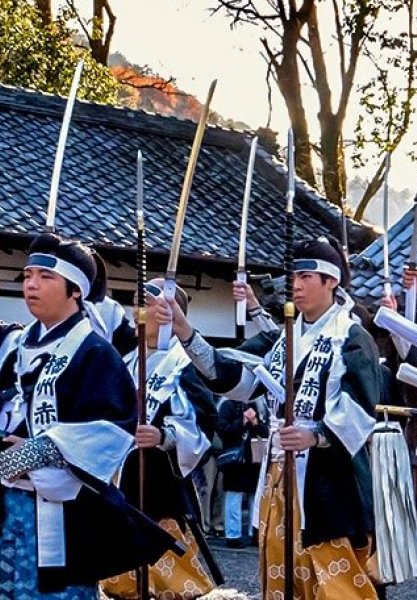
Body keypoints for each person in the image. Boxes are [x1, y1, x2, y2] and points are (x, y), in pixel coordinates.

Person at [161, 237, 381, 599]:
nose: (295, 284)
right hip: (281, 473)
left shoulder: (351, 337)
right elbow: (237, 376)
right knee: (282, 569)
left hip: (329, 479)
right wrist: (186, 331)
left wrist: (318, 434)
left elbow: (361, 405)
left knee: (333, 574)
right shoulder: (283, 340)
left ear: (332, 281)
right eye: (293, 276)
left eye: (307, 276)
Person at [0, 233, 171, 599]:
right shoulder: (9, 342)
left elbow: (109, 432)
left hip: (58, 514)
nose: (31, 284)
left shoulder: (95, 353)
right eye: (27, 275)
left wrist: (31, 452)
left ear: (75, 290)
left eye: (45, 276)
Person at [102, 280, 218, 600]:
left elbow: (208, 421)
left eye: (146, 302)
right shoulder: (126, 362)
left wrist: (166, 436)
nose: (137, 310)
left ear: (168, 312)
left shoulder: (183, 364)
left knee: (172, 582)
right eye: (136, 301)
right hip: (123, 475)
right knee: (122, 584)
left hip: (160, 479)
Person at [216, 396, 267, 549]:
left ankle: (255, 533)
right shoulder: (227, 405)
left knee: (255, 498)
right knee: (234, 497)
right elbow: (222, 430)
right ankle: (233, 535)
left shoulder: (256, 404)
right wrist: (242, 422)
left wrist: (255, 422)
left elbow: (264, 431)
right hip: (235, 459)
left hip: (253, 459)